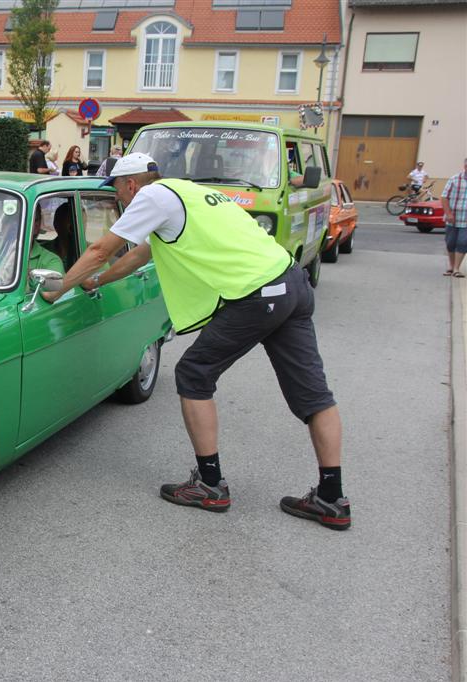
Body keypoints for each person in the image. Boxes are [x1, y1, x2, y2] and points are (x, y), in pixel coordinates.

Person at [43, 152, 350, 530]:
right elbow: (141, 254)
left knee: (193, 374)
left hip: (258, 292)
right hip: (291, 282)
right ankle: (331, 499)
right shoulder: (187, 192)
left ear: (131, 184)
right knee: (314, 394)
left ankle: (209, 484)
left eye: (117, 192)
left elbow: (99, 250)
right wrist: (97, 281)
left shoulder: (150, 197)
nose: (118, 201)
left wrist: (59, 289)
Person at [441, 157, 467, 277]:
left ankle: (456, 268)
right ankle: (451, 267)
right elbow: (444, 197)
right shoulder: (454, 179)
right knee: (450, 242)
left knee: (463, 242)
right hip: (453, 217)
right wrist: (448, 213)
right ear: (465, 166)